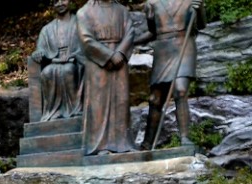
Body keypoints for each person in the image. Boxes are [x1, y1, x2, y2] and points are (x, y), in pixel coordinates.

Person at [140, 0, 206, 150]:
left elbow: (201, 25)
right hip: (163, 49)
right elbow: (153, 31)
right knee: (155, 99)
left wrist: (200, 9)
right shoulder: (153, 2)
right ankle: (147, 143)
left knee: (180, 90)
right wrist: (149, 19)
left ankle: (185, 138)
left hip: (184, 45)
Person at [76, 0, 138, 154]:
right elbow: (86, 40)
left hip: (120, 61)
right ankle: (100, 145)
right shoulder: (84, 12)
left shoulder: (122, 10)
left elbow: (130, 33)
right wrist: (108, 56)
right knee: (99, 103)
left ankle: (123, 143)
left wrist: (120, 53)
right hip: (97, 63)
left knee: (121, 100)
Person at [32, 0, 85, 122]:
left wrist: (73, 55)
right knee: (47, 72)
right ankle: (52, 112)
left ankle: (76, 110)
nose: (60, 3)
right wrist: (39, 53)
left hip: (74, 61)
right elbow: (41, 48)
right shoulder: (47, 29)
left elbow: (87, 44)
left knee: (68, 70)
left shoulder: (80, 24)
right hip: (54, 61)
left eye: (63, 0)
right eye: (56, 1)